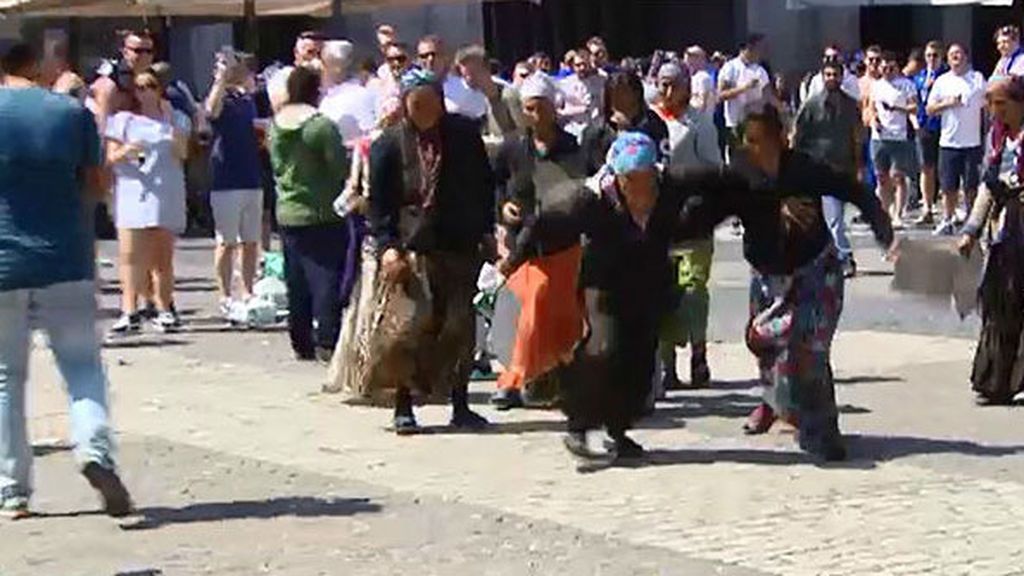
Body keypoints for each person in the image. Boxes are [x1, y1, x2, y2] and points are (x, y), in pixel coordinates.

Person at [678, 107, 895, 461]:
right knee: (767, 347)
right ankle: (773, 402)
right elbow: (707, 213)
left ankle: (822, 432)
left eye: (762, 141)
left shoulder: (804, 168)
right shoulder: (741, 175)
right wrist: (666, 232)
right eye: (749, 142)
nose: (756, 149)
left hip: (815, 271)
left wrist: (881, 228)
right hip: (767, 275)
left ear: (781, 137)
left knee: (809, 350)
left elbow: (853, 189)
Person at [0, 43, 132, 519]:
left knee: (6, 379)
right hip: (66, 258)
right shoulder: (69, 112)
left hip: (3, 262)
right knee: (82, 368)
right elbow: (98, 183)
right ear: (35, 66)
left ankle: (13, 491)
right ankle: (95, 449)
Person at [367, 69, 496, 433]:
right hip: (413, 249)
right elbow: (380, 204)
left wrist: (487, 230)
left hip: (459, 244)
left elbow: (483, 185)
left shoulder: (464, 136)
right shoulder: (389, 145)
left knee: (459, 325)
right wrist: (387, 246)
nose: (425, 110)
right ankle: (403, 403)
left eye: (431, 102)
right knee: (409, 329)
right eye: (417, 104)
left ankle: (460, 401)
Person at [487, 73, 587, 410]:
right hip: (523, 246)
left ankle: (556, 378)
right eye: (529, 109)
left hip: (560, 243)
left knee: (559, 316)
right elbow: (497, 184)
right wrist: (504, 207)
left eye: (541, 108)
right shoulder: (513, 147)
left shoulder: (571, 147)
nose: (535, 115)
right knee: (528, 310)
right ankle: (512, 380)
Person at [269, 67, 350, 363]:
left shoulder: (275, 125)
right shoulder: (320, 126)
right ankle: (328, 338)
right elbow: (338, 167)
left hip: (288, 210)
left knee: (296, 279)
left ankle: (300, 339)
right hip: (321, 211)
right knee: (326, 276)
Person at [652, 62, 722, 390]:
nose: (667, 92)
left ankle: (698, 354)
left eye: (673, 85)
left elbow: (713, 169)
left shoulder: (699, 123)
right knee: (662, 290)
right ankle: (667, 366)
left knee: (693, 288)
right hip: (657, 221)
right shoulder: (650, 121)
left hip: (692, 219)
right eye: (662, 84)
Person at [106, 71, 191, 334]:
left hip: (164, 190)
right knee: (130, 256)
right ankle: (129, 310)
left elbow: (183, 153)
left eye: (151, 86)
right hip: (133, 190)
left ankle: (164, 308)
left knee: (161, 258)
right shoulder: (122, 120)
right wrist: (126, 150)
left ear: (160, 89)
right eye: (140, 87)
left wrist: (169, 122)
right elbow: (110, 157)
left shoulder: (176, 119)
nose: (145, 92)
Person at [958, 76, 1024, 406]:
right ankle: (996, 380)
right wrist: (971, 229)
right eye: (990, 104)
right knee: (999, 303)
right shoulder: (997, 138)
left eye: (1000, 104)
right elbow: (987, 186)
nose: (993, 111)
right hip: (1005, 230)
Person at [203, 48, 265, 317]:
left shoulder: (247, 98)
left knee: (251, 240)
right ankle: (225, 294)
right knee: (226, 241)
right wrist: (220, 79)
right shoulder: (221, 97)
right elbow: (210, 111)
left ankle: (248, 290)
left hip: (251, 175)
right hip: (226, 178)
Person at [793, 60, 863, 279]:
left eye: (835, 75)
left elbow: (857, 137)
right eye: (828, 74)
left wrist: (859, 166)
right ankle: (844, 256)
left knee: (836, 217)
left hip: (844, 167)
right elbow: (798, 135)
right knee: (831, 219)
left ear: (842, 77)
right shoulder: (812, 105)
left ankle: (834, 255)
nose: (831, 78)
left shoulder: (850, 105)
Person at [927, 44, 986, 236]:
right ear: (948, 59)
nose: (956, 58)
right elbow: (929, 109)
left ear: (966, 57)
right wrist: (948, 103)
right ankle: (947, 219)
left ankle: (972, 220)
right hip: (949, 142)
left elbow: (988, 104)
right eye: (952, 55)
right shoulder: (942, 81)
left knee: (971, 186)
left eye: (959, 54)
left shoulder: (977, 79)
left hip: (972, 142)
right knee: (948, 186)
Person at [580, 71, 669, 176]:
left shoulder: (654, 123)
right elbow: (589, 173)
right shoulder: (595, 133)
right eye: (618, 94)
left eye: (629, 92)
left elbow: (664, 160)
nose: (624, 98)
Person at [867, 51, 917, 228]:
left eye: (891, 67)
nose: (887, 71)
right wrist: (875, 121)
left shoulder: (906, 84)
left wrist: (897, 108)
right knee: (881, 177)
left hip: (899, 136)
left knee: (898, 176)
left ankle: (898, 214)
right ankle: (884, 213)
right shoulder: (876, 86)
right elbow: (871, 108)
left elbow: (914, 107)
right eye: (884, 68)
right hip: (880, 137)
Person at [717, 34, 772, 158]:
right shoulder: (730, 68)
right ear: (748, 48)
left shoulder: (760, 70)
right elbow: (721, 95)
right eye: (758, 48)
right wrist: (744, 88)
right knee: (737, 159)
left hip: (756, 122)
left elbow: (768, 95)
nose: (761, 52)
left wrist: (781, 108)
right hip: (736, 124)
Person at [90, 30, 155, 134]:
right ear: (125, 52)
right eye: (138, 51)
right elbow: (102, 124)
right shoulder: (110, 81)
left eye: (149, 51)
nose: (145, 56)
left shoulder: (153, 79)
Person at [913, 41, 948, 227]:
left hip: (944, 127)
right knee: (926, 168)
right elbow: (916, 102)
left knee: (944, 169)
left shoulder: (947, 76)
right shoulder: (919, 77)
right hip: (925, 126)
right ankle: (927, 207)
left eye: (935, 55)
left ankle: (946, 209)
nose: (932, 59)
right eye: (929, 55)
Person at [319, 40, 378, 145]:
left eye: (323, 63)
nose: (321, 69)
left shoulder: (335, 100)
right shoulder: (369, 93)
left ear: (336, 68)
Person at [268, 31, 325, 113]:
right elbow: (279, 106)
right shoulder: (284, 75)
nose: (315, 58)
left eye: (320, 53)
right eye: (310, 52)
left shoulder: (327, 78)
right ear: (296, 52)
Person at [558, 48, 606, 140]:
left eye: (585, 64)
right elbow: (558, 111)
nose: (582, 68)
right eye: (578, 65)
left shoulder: (601, 81)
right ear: (572, 66)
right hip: (573, 130)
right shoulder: (564, 84)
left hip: (596, 129)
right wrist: (577, 110)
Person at [683, 45, 716, 116]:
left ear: (699, 59)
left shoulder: (703, 77)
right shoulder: (693, 76)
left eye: (691, 56)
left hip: (701, 121)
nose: (687, 59)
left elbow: (702, 103)